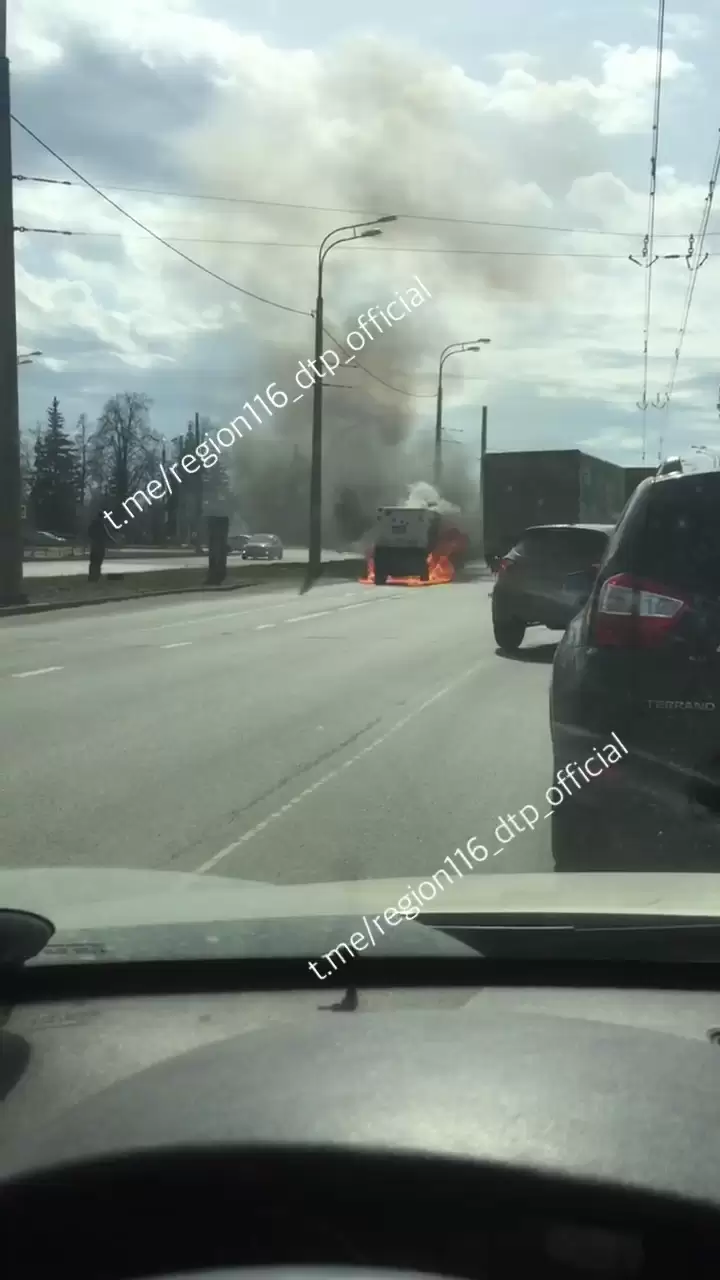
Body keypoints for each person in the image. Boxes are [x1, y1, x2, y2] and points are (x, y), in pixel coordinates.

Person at [87, 510, 109, 582]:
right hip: (100, 545)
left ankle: (92, 577)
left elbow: (89, 532)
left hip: (94, 545)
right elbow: (107, 535)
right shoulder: (101, 525)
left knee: (93, 562)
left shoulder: (93, 524)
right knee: (98, 562)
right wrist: (114, 541)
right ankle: (96, 577)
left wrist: (92, 538)